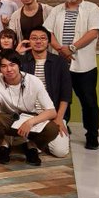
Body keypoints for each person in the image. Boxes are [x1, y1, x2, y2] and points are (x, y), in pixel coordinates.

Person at [44, 0, 99, 150]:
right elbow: (48, 32)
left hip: (84, 65)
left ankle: (92, 135)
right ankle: (63, 127)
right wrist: (60, 49)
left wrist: (71, 48)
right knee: (62, 98)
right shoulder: (57, 10)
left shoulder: (92, 8)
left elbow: (93, 32)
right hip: (60, 63)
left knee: (89, 101)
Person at [0, 49, 60, 166]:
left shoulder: (33, 81)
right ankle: (4, 146)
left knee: (53, 129)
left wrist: (30, 122)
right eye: (4, 66)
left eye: (12, 65)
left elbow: (52, 112)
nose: (9, 69)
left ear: (19, 65)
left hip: (30, 118)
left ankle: (31, 146)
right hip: (9, 118)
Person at [21, 26, 72, 158]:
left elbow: (66, 94)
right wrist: (16, 54)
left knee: (60, 152)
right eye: (34, 38)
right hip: (29, 113)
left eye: (42, 38)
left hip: (52, 114)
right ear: (29, 41)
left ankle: (36, 140)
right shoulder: (22, 61)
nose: (38, 41)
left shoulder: (59, 62)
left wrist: (59, 119)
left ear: (48, 42)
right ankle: (36, 139)